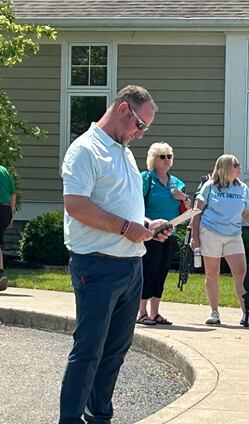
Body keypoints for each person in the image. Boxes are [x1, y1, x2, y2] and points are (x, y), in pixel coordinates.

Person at [60, 85, 172, 424]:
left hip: (130, 264)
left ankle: (99, 416)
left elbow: (121, 204)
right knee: (89, 349)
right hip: (96, 266)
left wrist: (149, 224)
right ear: (123, 109)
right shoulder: (85, 150)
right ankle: (69, 419)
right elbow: (76, 205)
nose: (141, 134)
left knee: (115, 351)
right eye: (140, 124)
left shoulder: (123, 150)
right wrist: (126, 228)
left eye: (145, 129)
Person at [190, 154, 249, 327]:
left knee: (241, 274)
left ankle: (247, 313)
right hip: (210, 233)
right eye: (236, 165)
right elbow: (196, 212)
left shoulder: (242, 188)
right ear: (226, 167)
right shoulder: (209, 187)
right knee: (212, 273)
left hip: (234, 234)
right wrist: (195, 236)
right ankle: (214, 312)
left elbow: (246, 213)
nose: (239, 168)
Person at [136, 142, 189, 326]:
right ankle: (141, 312)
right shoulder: (146, 179)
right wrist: (146, 223)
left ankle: (155, 313)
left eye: (169, 156)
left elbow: (187, 210)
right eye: (162, 156)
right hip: (149, 233)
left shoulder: (177, 183)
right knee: (148, 270)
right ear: (153, 159)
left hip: (170, 234)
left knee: (162, 271)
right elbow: (136, 204)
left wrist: (183, 198)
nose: (167, 160)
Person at [0, 164, 16, 291]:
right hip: (6, 209)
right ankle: (0, 273)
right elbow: (13, 194)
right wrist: (11, 214)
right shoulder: (4, 170)